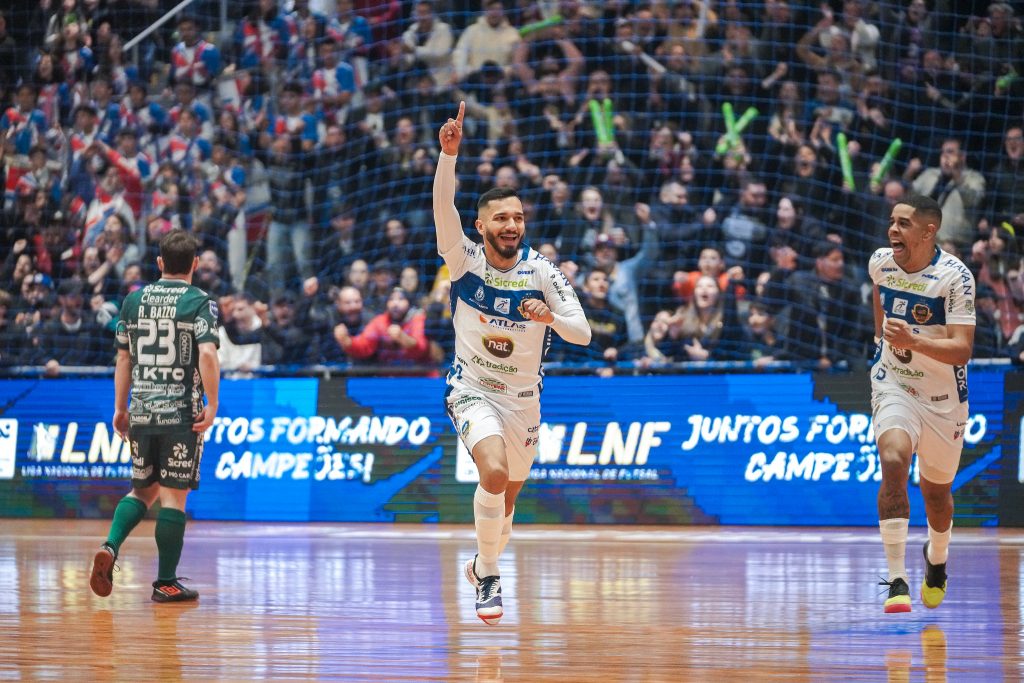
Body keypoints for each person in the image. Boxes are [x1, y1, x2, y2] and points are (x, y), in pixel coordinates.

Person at [433, 102, 591, 625]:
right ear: (480, 226)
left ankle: (481, 564)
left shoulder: (543, 271)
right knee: (494, 476)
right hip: (471, 387)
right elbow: (443, 211)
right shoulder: (464, 261)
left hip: (524, 400)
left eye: (518, 217)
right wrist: (447, 158)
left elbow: (584, 332)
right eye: (501, 217)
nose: (512, 225)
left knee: (506, 504)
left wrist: (550, 317)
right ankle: (492, 581)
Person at [89, 230, 221, 603]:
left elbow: (123, 358)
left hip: (142, 413)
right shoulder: (200, 302)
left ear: (159, 263)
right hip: (182, 416)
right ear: (195, 264)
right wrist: (211, 404)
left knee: (142, 490)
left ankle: (110, 546)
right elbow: (208, 355)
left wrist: (120, 408)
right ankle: (165, 582)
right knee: (173, 500)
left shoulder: (133, 301)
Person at [869, 195, 975, 614]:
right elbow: (878, 301)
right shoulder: (881, 262)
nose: (893, 230)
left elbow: (962, 350)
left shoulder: (955, 277)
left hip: (943, 400)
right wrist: (882, 343)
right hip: (894, 383)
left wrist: (913, 340)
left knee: (937, 495)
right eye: (892, 222)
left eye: (904, 223)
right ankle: (897, 579)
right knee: (893, 459)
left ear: (929, 231)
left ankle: (938, 559)